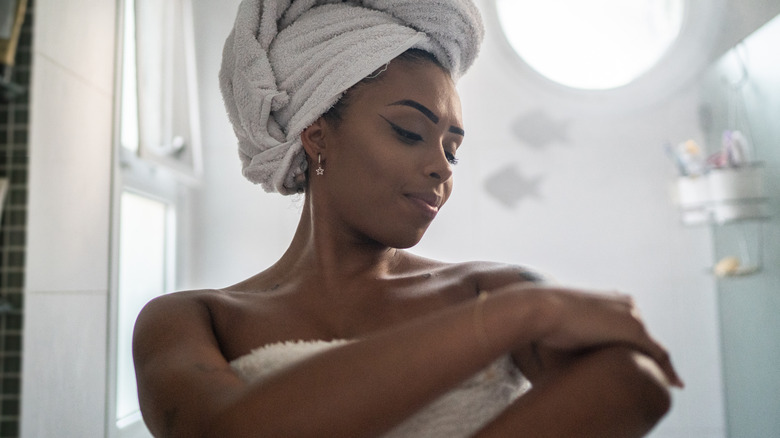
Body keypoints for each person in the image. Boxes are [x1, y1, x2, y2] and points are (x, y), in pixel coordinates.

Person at [133, 1, 684, 437]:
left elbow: (636, 385)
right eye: (408, 132)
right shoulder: (189, 320)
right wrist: (523, 314)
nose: (440, 168)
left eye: (453, 149)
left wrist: (518, 306)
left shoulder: (486, 287)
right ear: (318, 136)